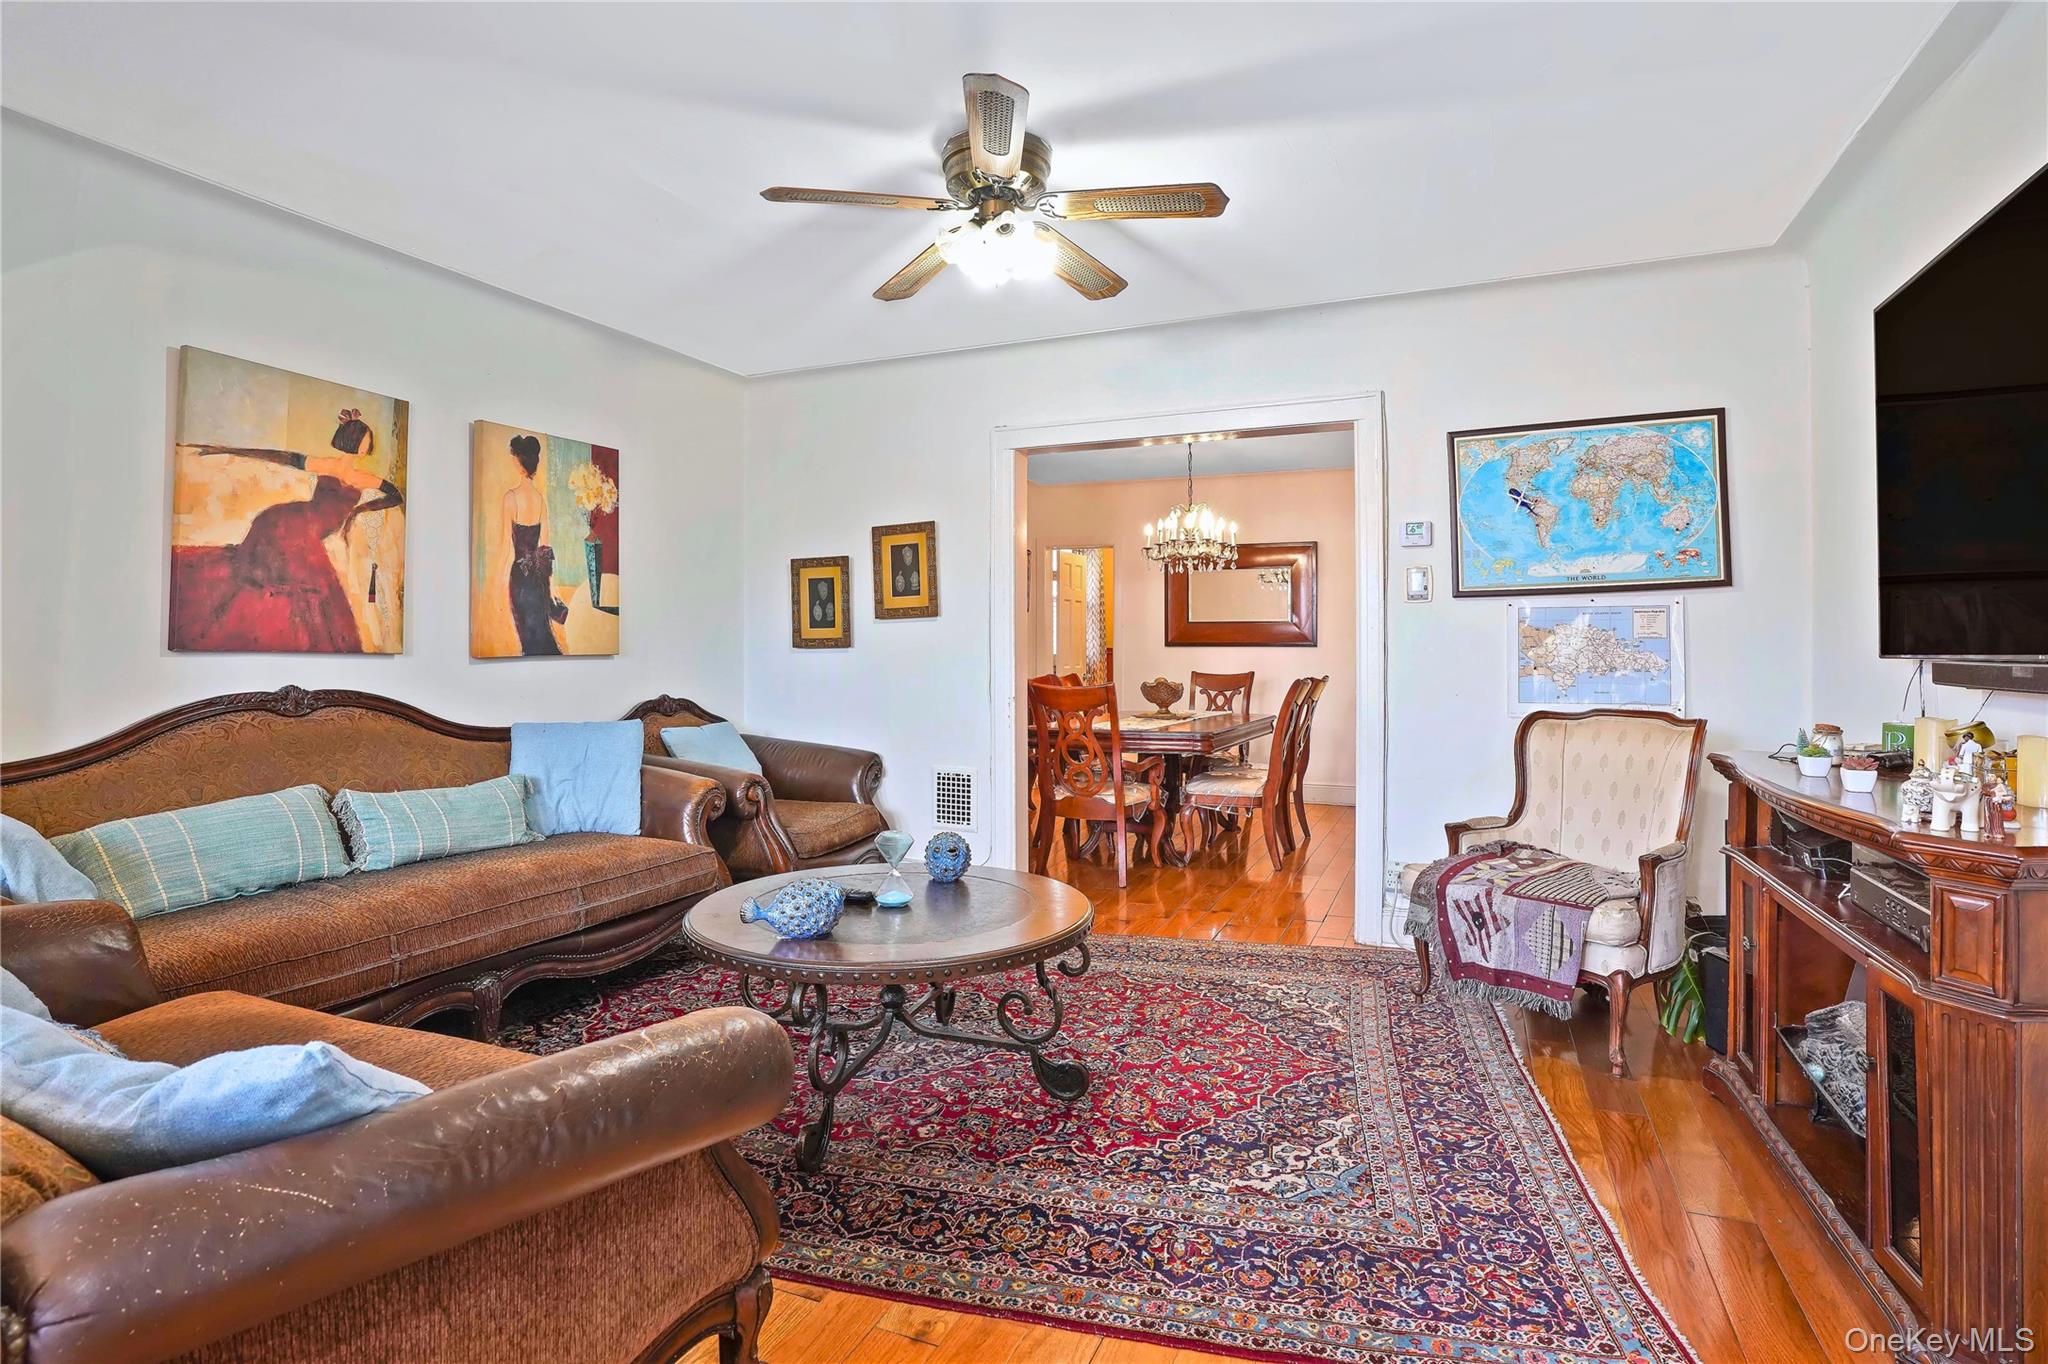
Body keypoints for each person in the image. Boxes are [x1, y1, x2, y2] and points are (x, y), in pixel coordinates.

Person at [170, 409, 402, 652]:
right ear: (359, 443)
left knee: (299, 574)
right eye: (367, 439)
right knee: (309, 582)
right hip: (291, 522)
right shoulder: (329, 466)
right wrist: (224, 450)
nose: (368, 444)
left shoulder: (362, 478)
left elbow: (396, 496)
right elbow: (279, 456)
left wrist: (359, 510)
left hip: (302, 527)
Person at [502, 433, 565, 655]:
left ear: (519, 464)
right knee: (541, 632)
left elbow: (505, 548)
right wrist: (550, 587)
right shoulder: (540, 499)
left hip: (519, 577)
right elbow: (545, 548)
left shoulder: (510, 497)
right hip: (538, 579)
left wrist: (497, 583)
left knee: (527, 637)